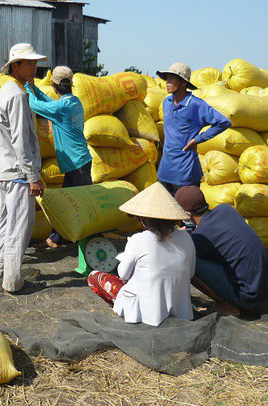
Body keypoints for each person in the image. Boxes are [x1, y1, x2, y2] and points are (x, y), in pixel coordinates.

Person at [87, 182, 196, 327]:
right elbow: (190, 274)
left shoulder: (139, 239)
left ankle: (120, 307)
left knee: (94, 277)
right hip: (179, 308)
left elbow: (123, 275)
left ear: (144, 219)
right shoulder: (186, 238)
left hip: (145, 312)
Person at [0, 43, 47, 294]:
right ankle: (13, 282)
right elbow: (21, 141)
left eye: (35, 62)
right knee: (19, 226)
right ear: (16, 66)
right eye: (29, 63)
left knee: (6, 223)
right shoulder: (17, 95)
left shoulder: (7, 91)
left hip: (7, 170)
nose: (34, 67)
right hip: (19, 173)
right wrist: (33, 175)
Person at [25, 66, 92, 248]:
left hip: (77, 163)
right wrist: (35, 89)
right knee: (66, 203)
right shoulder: (73, 102)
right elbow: (48, 103)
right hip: (78, 162)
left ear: (54, 87)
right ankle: (54, 238)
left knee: (83, 204)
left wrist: (28, 89)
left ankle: (89, 242)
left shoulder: (61, 107)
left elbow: (35, 105)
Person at [175, 185, 268, 316]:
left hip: (249, 298)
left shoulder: (201, 238)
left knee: (186, 260)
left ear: (187, 214)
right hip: (265, 288)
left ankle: (228, 306)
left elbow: (201, 238)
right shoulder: (226, 209)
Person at [156, 63, 231, 196]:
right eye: (166, 78)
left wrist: (197, 140)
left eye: (172, 78)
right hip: (164, 172)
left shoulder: (196, 104)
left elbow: (223, 122)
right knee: (164, 214)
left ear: (183, 83)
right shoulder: (166, 102)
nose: (167, 82)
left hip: (185, 174)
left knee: (185, 213)